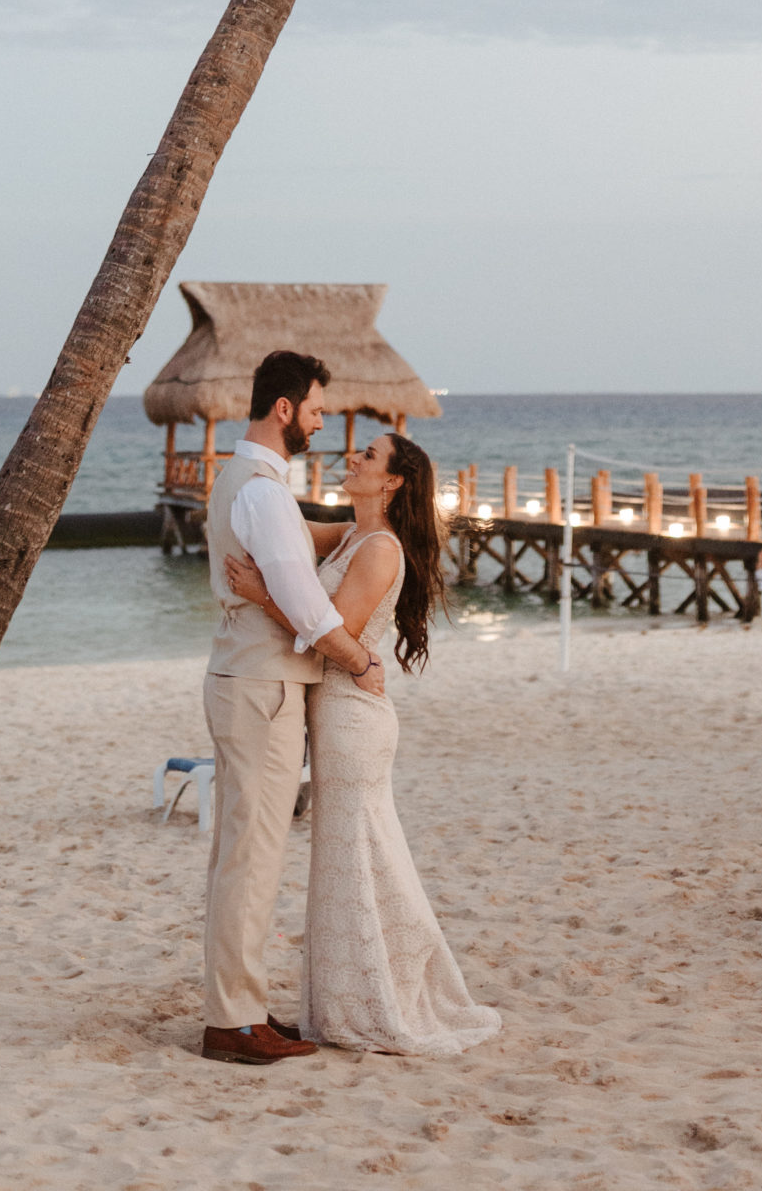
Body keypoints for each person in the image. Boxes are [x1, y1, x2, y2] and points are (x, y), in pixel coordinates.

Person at [227, 428, 500, 1058]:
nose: (353, 456)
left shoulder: (378, 548)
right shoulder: (350, 534)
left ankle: (384, 999)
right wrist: (249, 480)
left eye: (369, 456)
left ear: (394, 481)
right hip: (338, 712)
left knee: (358, 858)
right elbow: (283, 531)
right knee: (346, 861)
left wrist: (257, 595)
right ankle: (351, 999)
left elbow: (333, 631)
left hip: (353, 720)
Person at [200, 349, 386, 1068]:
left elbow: (303, 544)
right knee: (251, 856)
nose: (320, 421)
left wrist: (367, 527)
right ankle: (233, 1022)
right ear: (284, 409)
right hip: (262, 685)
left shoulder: (251, 479)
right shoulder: (264, 491)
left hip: (243, 677)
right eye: (314, 410)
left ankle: (239, 1006)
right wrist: (358, 660)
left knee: (240, 853)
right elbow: (304, 601)